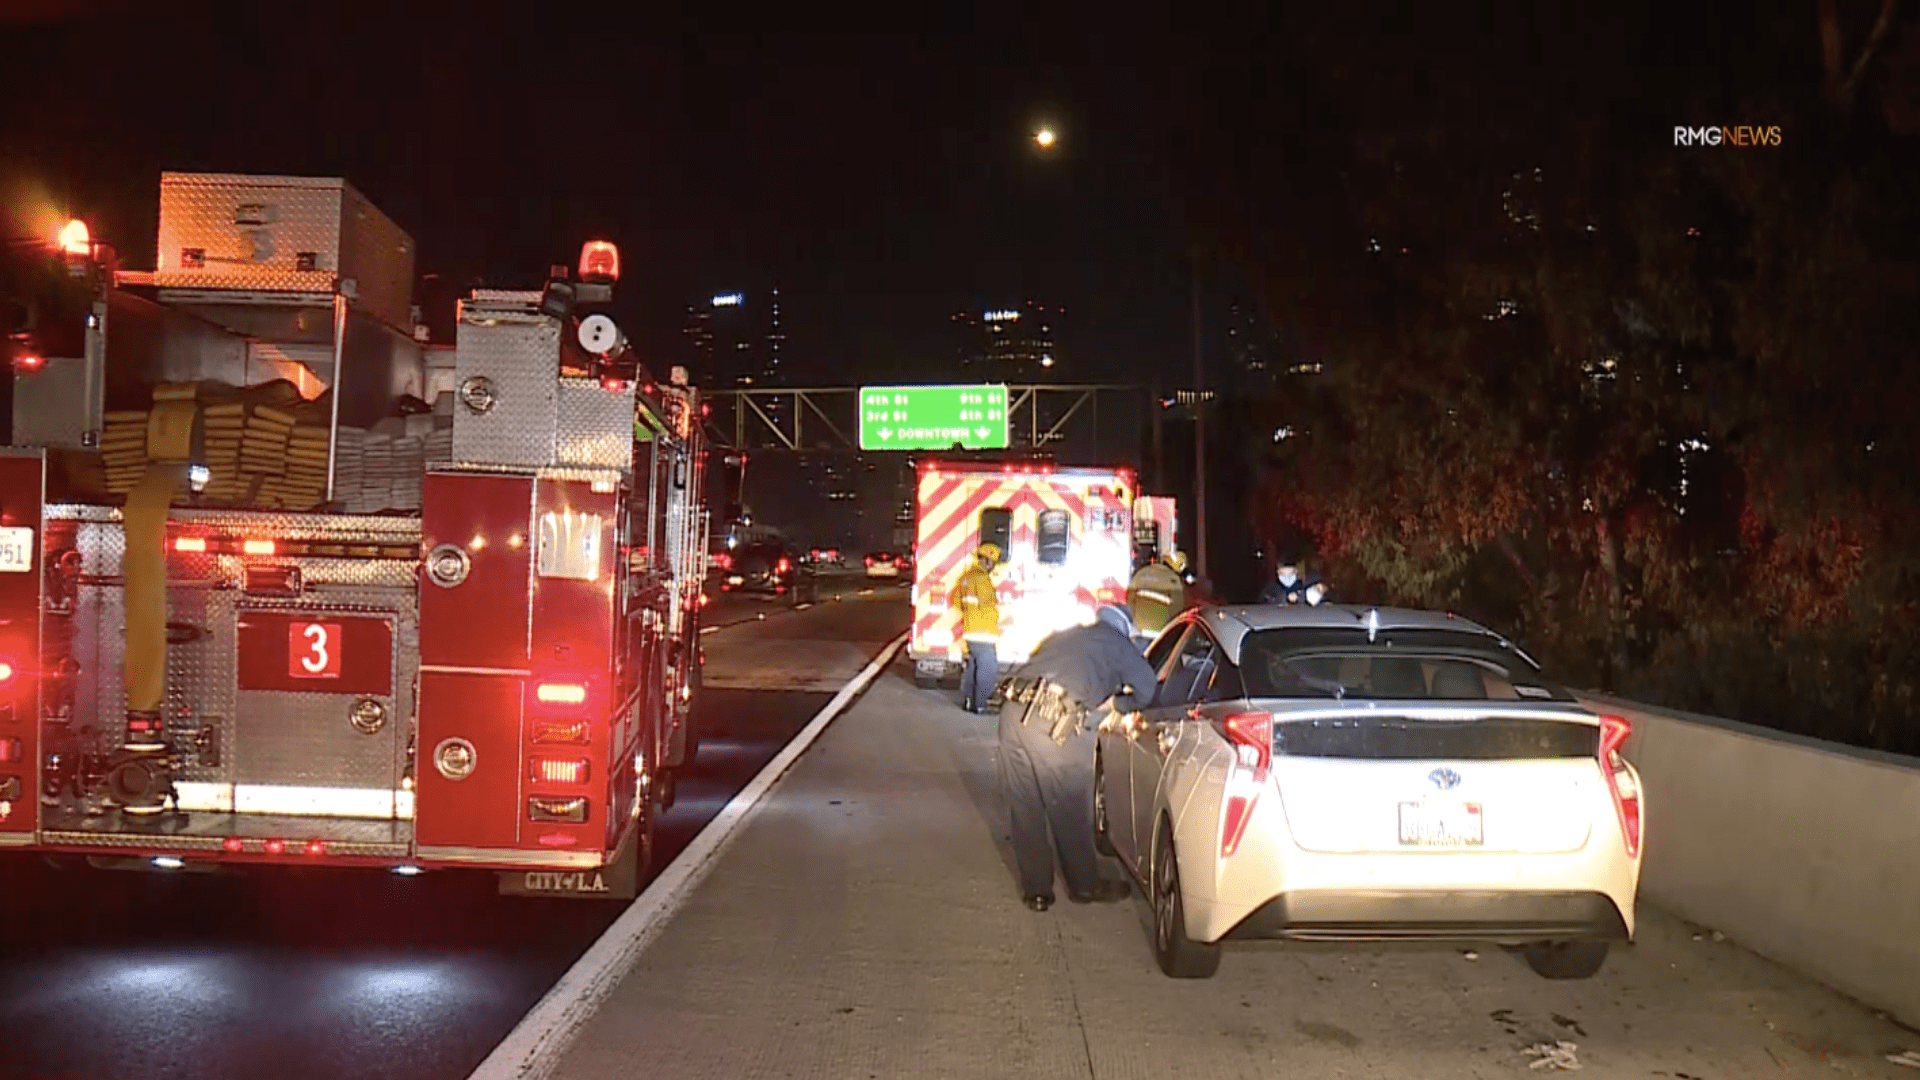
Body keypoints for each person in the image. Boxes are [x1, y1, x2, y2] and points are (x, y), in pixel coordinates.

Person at [997, 605, 1154, 911]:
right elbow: (1147, 690)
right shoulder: (1120, 644)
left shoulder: (1066, 635)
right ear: (1125, 629)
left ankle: (1037, 892)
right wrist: (1117, 704)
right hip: (1052, 723)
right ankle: (1084, 886)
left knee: (1025, 805)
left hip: (1012, 716)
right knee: (1067, 805)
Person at [955, 542, 1002, 713]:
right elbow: (988, 605)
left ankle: (969, 701)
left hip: (970, 630)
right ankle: (981, 705)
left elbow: (957, 602)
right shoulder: (982, 579)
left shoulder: (966, 578)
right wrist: (997, 619)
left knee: (973, 667)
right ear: (989, 562)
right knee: (988, 668)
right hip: (984, 631)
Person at [1127, 548, 1188, 640]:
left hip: (1139, 631)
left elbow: (1130, 602)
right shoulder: (1174, 581)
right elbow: (1177, 611)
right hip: (1159, 635)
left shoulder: (1141, 573)